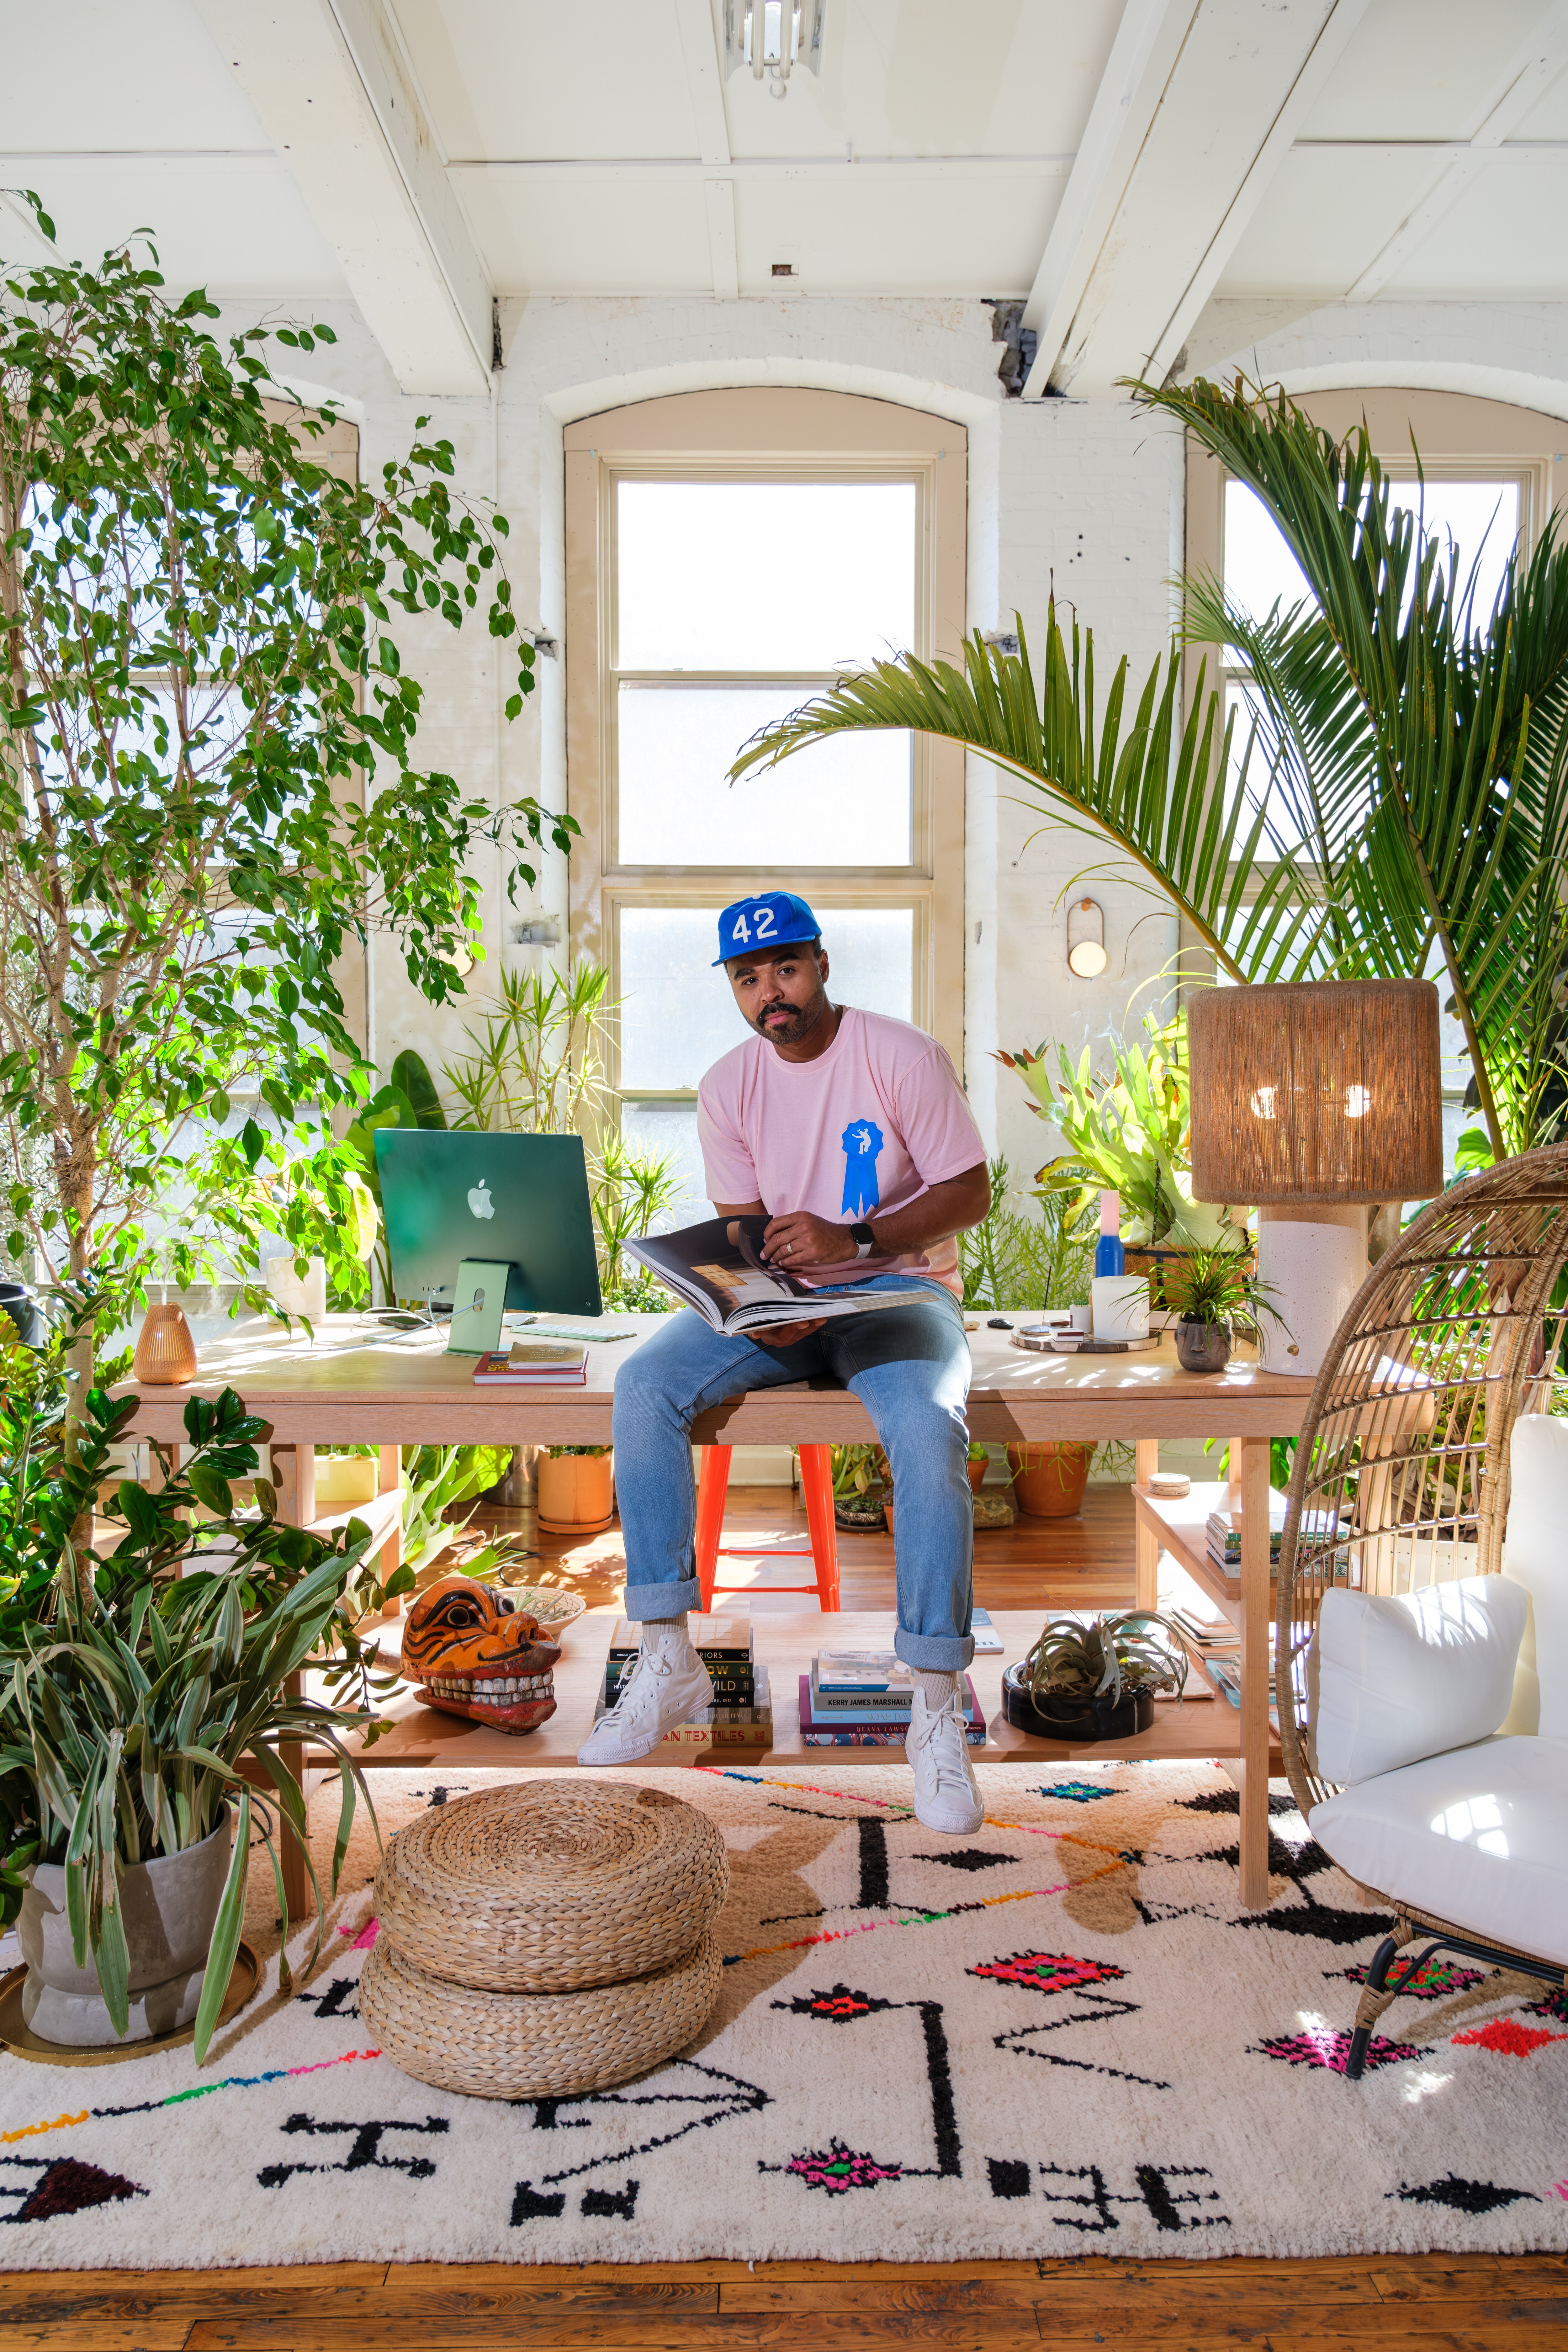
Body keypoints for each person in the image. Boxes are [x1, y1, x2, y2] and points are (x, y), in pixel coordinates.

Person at [578, 889, 992, 1835]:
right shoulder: (728, 1084)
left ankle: (935, 1706)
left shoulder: (899, 1054)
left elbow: (969, 1188)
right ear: (735, 987)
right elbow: (743, 1224)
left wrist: (858, 1236)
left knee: (929, 1428)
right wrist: (751, 1297)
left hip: (899, 1297)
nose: (773, 992)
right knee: (645, 1383)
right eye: (749, 977)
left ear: (823, 965)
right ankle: (668, 1653)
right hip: (789, 1309)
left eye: (787, 969)